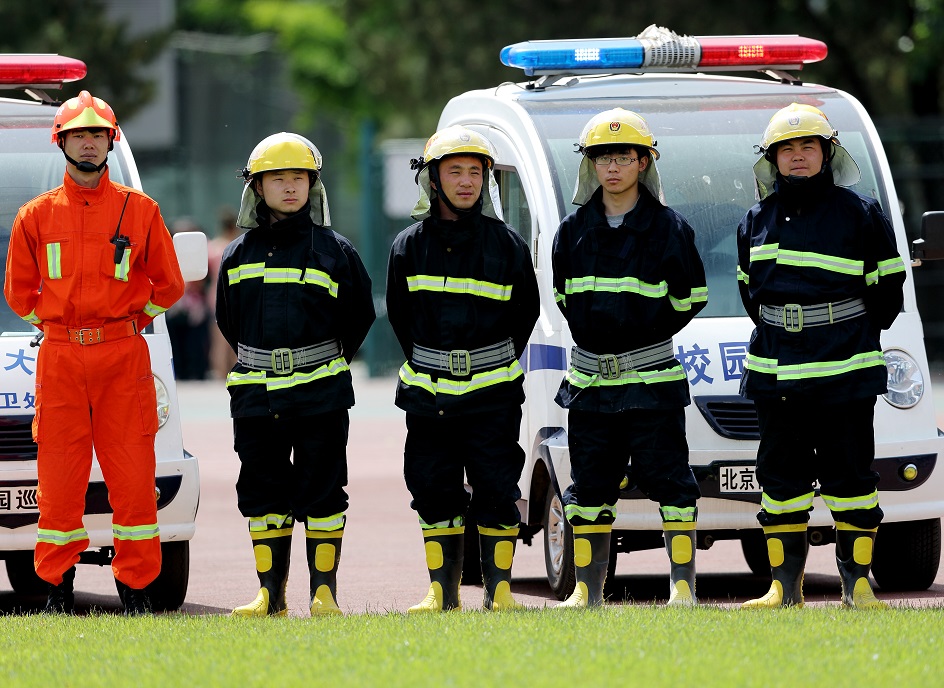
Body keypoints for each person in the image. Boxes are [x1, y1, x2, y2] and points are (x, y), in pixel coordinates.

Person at [4, 90, 185, 615]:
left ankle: (136, 589)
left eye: (97, 134)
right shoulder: (35, 216)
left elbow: (170, 285)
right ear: (61, 142)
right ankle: (56, 588)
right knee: (59, 479)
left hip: (123, 358)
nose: (88, 143)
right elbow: (18, 293)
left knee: (133, 477)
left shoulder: (140, 210)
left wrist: (132, 321)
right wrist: (57, 325)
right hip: (60, 360)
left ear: (112, 141)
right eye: (78, 134)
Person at [737, 103, 906, 609]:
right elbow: (751, 295)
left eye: (807, 146)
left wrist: (845, 332)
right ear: (772, 159)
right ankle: (783, 589)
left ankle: (857, 587)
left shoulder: (861, 213)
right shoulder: (755, 220)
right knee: (780, 480)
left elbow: (887, 291)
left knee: (851, 478)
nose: (798, 156)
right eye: (786, 148)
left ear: (827, 152)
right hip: (776, 372)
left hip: (846, 371)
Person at [552, 108, 707, 608]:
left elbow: (690, 299)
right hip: (591, 387)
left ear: (644, 162)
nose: (613, 167)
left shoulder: (670, 229)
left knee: (672, 483)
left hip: (652, 384)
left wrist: (642, 335)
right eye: (603, 158)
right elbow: (565, 298)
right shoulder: (571, 232)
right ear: (590, 165)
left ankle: (682, 588)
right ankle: (586, 591)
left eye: (623, 157)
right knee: (589, 487)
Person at [217, 132, 375, 617]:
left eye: (299, 178)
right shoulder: (237, 255)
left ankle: (323, 594)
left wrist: (319, 360)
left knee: (323, 489)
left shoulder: (336, 251)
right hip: (256, 395)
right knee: (262, 491)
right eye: (278, 179)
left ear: (313, 185)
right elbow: (228, 319)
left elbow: (360, 316)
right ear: (256, 187)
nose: (289, 187)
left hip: (320, 394)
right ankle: (271, 595)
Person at [385, 125, 539, 613]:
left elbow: (525, 314)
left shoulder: (508, 245)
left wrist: (486, 363)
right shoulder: (407, 247)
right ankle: (442, 591)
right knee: (432, 487)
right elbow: (401, 319)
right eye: (455, 171)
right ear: (433, 180)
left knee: (497, 487)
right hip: (428, 397)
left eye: (475, 171)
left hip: (494, 396)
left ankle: (500, 591)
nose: (467, 181)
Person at [166, 217, 212, 380]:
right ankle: (179, 370)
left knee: (196, 340)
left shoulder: (201, 252)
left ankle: (196, 370)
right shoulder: (167, 249)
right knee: (175, 340)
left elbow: (205, 279)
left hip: (194, 305)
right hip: (174, 303)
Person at [207, 207, 240, 379]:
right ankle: (237, 372)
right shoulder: (239, 246)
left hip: (216, 295)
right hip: (238, 296)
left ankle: (220, 374)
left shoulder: (213, 247)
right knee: (239, 339)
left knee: (218, 340)